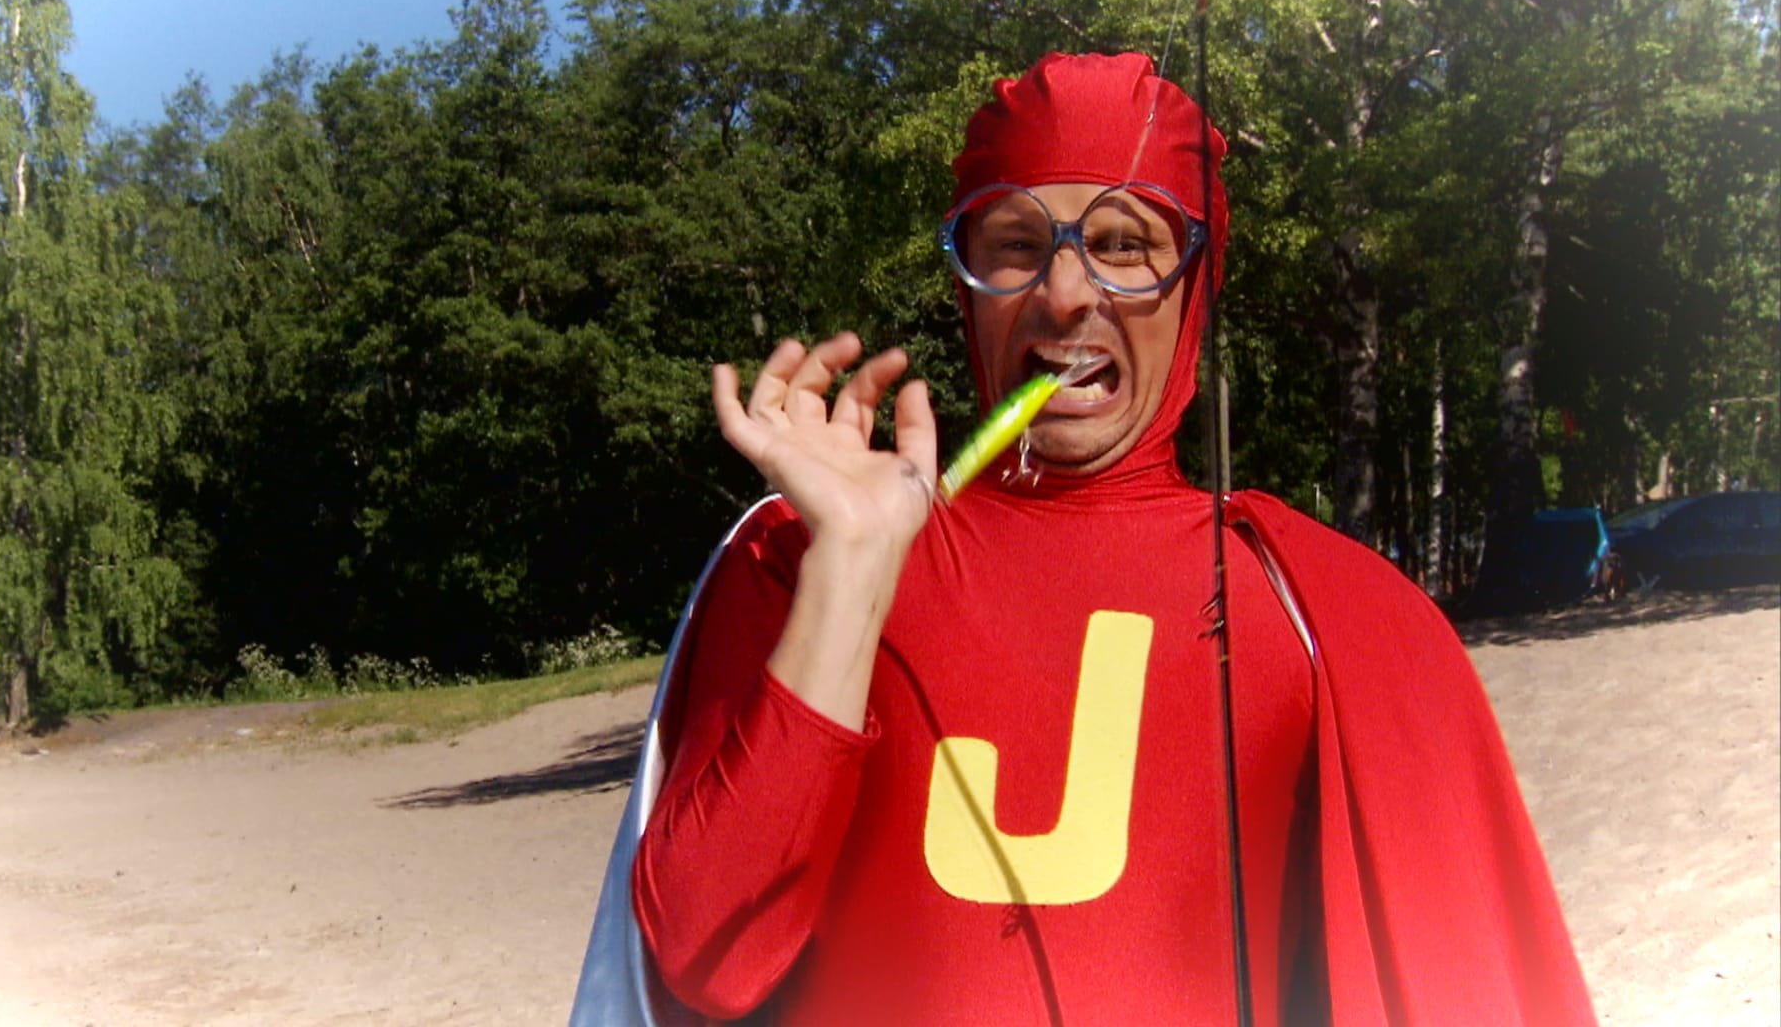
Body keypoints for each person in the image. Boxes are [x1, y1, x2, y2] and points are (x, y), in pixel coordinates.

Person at [572, 51, 1594, 1026]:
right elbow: (708, 962)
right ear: (966, 282)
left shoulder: (1328, 612)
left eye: (1122, 244)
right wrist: (850, 572)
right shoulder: (800, 556)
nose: (1066, 295)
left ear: (1198, 283)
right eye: (1016, 246)